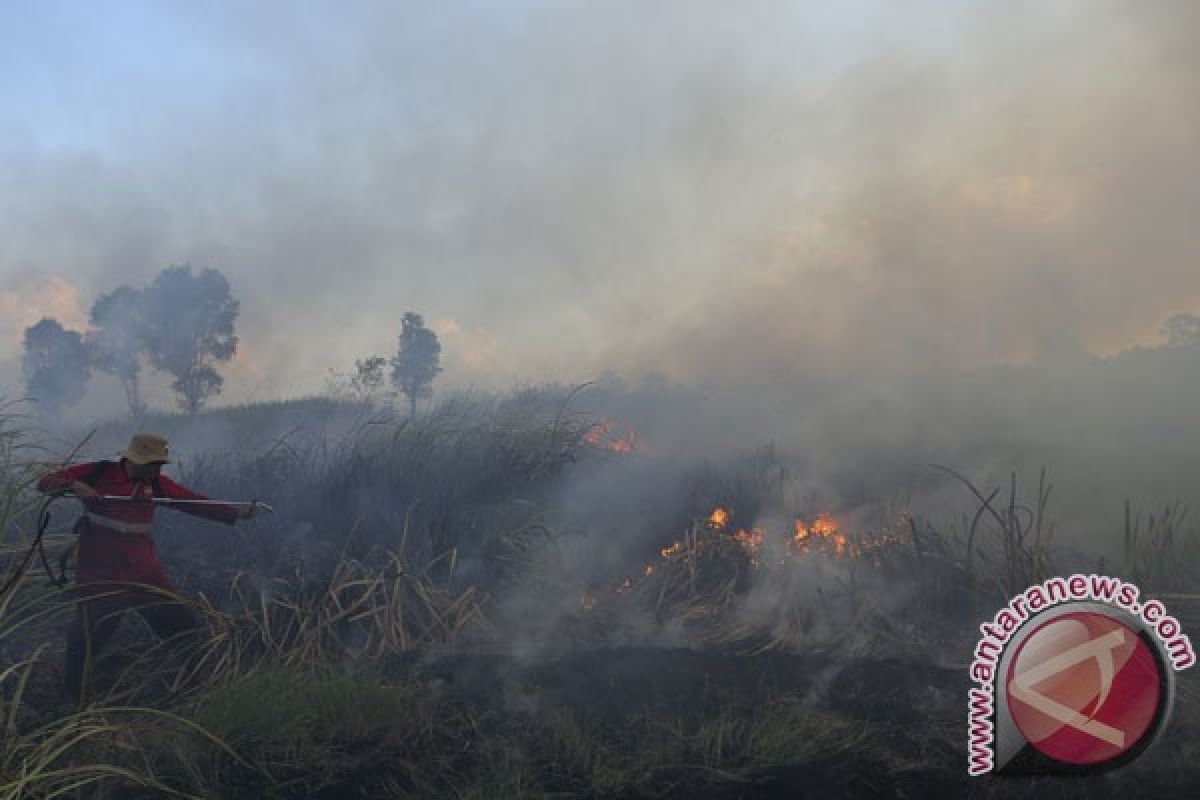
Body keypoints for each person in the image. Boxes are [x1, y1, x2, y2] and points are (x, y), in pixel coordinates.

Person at [37, 433, 255, 703]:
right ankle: (73, 700)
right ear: (133, 459)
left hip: (144, 569)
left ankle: (198, 687)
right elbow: (45, 482)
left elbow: (193, 502)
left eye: (159, 465)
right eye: (152, 463)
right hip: (100, 569)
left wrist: (235, 512)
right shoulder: (99, 472)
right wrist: (74, 485)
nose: (157, 469)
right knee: (88, 634)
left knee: (183, 626)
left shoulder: (157, 484)